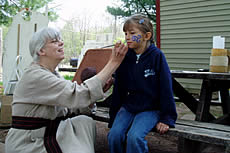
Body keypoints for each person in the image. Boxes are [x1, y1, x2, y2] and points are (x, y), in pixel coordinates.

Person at [5, 27, 128, 153]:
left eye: (60, 40)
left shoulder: (52, 74)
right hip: (30, 142)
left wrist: (92, 99)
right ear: (41, 50)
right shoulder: (35, 76)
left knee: (84, 122)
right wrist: (114, 62)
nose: (61, 43)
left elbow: (70, 107)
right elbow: (78, 95)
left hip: (46, 133)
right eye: (54, 41)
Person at [107, 14, 177, 153]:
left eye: (132, 33)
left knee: (134, 137)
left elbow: (166, 87)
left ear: (146, 36)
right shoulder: (125, 57)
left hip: (150, 109)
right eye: (125, 33)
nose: (127, 37)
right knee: (114, 135)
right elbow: (119, 88)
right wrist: (114, 115)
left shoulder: (157, 56)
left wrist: (167, 118)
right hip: (129, 107)